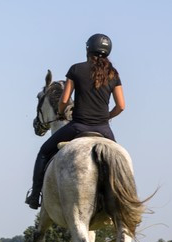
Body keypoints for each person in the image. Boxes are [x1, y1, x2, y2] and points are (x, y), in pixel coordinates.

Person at [26, 33, 125, 209]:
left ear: (88, 49)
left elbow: (64, 100)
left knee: (43, 152)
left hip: (78, 126)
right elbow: (121, 106)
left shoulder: (76, 69)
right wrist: (106, 117)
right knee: (119, 163)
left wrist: (62, 112)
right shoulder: (113, 74)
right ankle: (122, 201)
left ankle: (35, 196)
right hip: (104, 129)